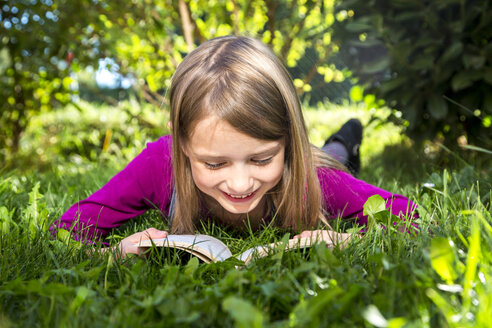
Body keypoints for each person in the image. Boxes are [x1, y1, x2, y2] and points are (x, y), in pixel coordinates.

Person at [50, 36, 417, 258]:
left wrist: (345, 241)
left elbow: (409, 217)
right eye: (214, 164)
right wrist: (112, 254)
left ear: (289, 143)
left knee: (335, 158)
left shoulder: (312, 177)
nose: (240, 185)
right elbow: (66, 232)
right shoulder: (161, 162)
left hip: (323, 163)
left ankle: (345, 139)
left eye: (260, 158)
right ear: (183, 147)